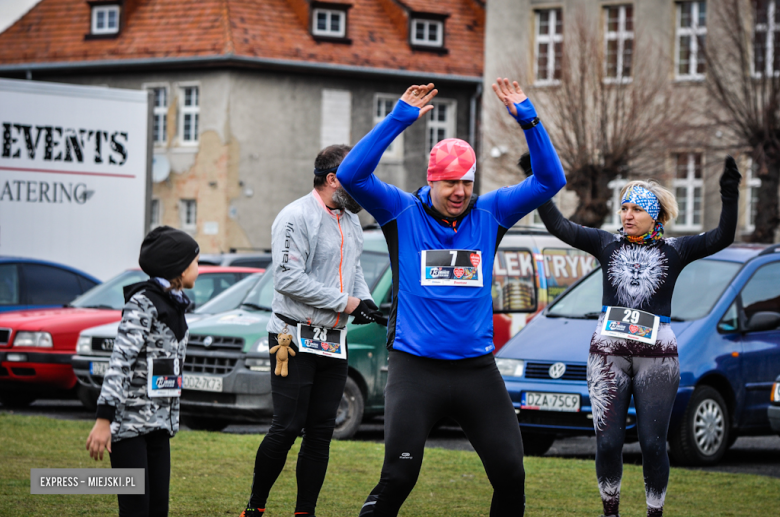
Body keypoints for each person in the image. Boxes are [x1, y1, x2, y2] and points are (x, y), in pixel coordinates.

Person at [337, 79, 567, 516]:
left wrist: (529, 119)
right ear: (432, 181)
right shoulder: (400, 210)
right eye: (449, 184)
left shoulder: (491, 212)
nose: (459, 192)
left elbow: (550, 180)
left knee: (511, 474)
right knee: (400, 476)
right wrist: (399, 118)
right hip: (415, 368)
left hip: (476, 372)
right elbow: (352, 175)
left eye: (465, 182)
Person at [532, 156, 741, 517]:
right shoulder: (605, 243)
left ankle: (654, 513)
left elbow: (723, 236)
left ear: (655, 216)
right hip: (607, 354)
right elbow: (559, 226)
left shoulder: (675, 250)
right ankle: (610, 513)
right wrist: (537, 184)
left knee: (652, 444)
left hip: (656, 357)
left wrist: (729, 193)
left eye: (635, 209)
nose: (626, 215)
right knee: (609, 442)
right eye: (623, 207)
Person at [240, 144, 384, 517]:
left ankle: (305, 512)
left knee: (322, 432)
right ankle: (255, 507)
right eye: (359, 179)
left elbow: (353, 271)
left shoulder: (350, 219)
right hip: (290, 337)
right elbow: (288, 280)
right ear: (333, 179)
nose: (365, 188)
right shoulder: (295, 216)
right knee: (287, 427)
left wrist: (364, 300)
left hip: (333, 341)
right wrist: (346, 303)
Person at [86, 225, 200, 517]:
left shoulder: (175, 304)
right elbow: (120, 361)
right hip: (128, 428)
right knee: (137, 510)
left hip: (159, 425)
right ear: (178, 266)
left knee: (158, 509)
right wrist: (103, 419)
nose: (199, 267)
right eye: (195, 261)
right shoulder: (142, 303)